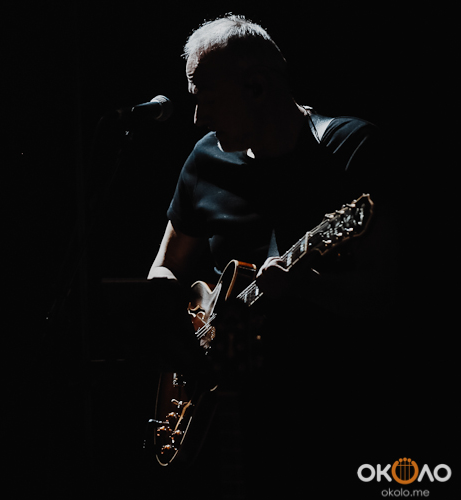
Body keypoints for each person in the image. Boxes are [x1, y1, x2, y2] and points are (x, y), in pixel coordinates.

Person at [145, 14, 396, 497]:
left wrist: (306, 286)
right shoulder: (204, 159)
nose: (198, 119)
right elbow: (165, 268)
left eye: (207, 100)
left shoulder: (349, 149)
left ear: (257, 87)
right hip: (229, 414)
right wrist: (185, 340)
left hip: (327, 411)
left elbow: (391, 290)